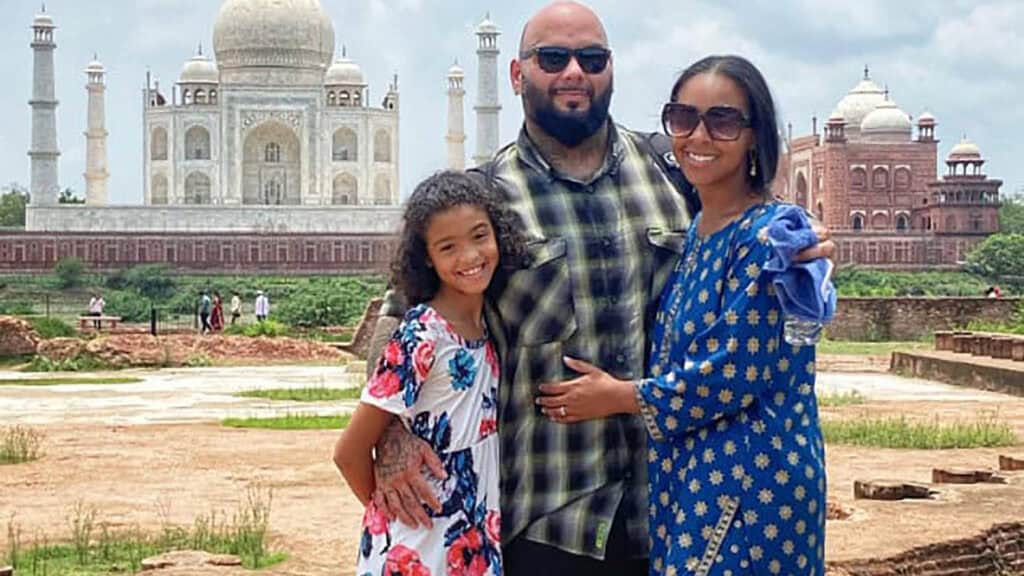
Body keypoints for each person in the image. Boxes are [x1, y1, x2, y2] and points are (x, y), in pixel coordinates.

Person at [370, 3, 835, 574]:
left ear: (611, 69)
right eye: (552, 58)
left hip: (673, 510)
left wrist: (799, 239)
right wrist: (390, 431)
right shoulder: (484, 198)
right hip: (546, 519)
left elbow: (741, 217)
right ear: (517, 75)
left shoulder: (671, 173)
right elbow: (403, 321)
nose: (573, 73)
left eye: (591, 59)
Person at [534, 55, 828, 575]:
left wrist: (618, 396)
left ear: (755, 134)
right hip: (689, 482)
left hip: (753, 494)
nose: (698, 136)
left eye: (723, 120)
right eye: (684, 118)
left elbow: (733, 371)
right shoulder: (698, 230)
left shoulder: (772, 238)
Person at [333, 171, 526, 576]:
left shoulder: (487, 322)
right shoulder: (424, 332)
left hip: (472, 538)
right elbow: (349, 452)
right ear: (427, 258)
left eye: (479, 236)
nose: (470, 256)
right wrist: (388, 511)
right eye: (448, 247)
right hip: (417, 547)